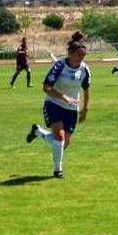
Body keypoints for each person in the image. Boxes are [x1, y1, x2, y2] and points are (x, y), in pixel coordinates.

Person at [25, 31, 91, 179]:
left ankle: (38, 132)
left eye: (83, 56)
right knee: (60, 137)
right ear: (70, 53)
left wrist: (85, 109)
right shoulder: (60, 66)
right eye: (79, 55)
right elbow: (46, 87)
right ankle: (57, 171)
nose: (81, 58)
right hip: (53, 104)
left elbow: (86, 89)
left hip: (72, 109)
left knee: (64, 142)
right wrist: (63, 97)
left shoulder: (84, 69)